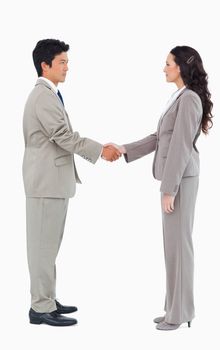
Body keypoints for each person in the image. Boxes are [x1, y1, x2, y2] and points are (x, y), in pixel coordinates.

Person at [110, 46, 213, 330]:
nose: (164, 68)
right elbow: (160, 137)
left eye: (167, 63)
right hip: (177, 179)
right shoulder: (178, 97)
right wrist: (125, 148)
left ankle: (180, 313)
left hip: (181, 180)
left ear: (180, 66)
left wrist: (169, 189)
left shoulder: (190, 99)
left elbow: (180, 146)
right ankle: (174, 307)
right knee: (173, 247)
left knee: (180, 247)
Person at [22, 39, 121, 326]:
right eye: (62, 62)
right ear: (45, 64)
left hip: (52, 183)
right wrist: (100, 149)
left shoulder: (50, 94)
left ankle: (47, 300)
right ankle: (40, 308)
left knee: (48, 247)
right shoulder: (42, 96)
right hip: (44, 183)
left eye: (67, 61)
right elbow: (63, 136)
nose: (67, 67)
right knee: (41, 249)